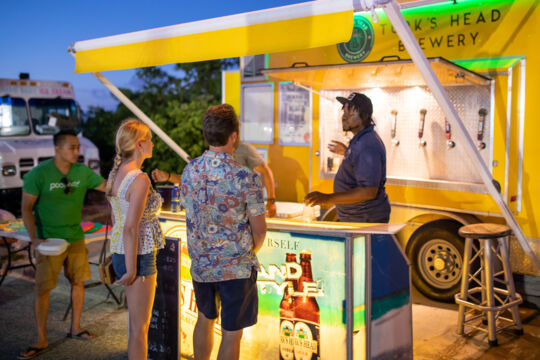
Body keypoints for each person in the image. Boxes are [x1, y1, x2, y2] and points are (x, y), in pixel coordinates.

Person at [180, 104, 267, 360]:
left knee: (204, 319)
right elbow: (260, 231)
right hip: (236, 267)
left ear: (207, 135)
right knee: (231, 333)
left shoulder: (189, 171)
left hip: (202, 264)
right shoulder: (246, 176)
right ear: (234, 136)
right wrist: (245, 253)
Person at [20, 129, 107, 359]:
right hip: (49, 240)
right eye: (72, 147)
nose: (77, 151)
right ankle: (41, 339)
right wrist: (34, 237)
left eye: (78, 147)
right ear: (57, 149)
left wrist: (132, 178)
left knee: (78, 282)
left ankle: (75, 328)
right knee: (43, 289)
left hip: (75, 237)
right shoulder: (39, 174)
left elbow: (108, 186)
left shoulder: (82, 172)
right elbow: (26, 208)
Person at [106, 119, 164, 360]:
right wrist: (131, 269)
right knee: (140, 327)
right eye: (149, 139)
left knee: (135, 326)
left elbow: (116, 218)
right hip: (138, 254)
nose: (152, 143)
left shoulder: (116, 173)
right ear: (139, 145)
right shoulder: (140, 179)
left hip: (122, 250)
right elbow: (131, 227)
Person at [304, 92, 391, 223]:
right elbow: (358, 164)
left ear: (365, 116)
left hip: (365, 221)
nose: (344, 117)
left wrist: (327, 198)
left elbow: (368, 192)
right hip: (357, 218)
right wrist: (346, 152)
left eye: (351, 113)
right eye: (344, 112)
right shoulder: (359, 140)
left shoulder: (367, 145)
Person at [151, 141, 277, 217]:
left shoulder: (243, 151)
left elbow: (265, 171)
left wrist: (271, 200)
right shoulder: (204, 162)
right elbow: (190, 179)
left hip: (243, 214)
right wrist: (168, 176)